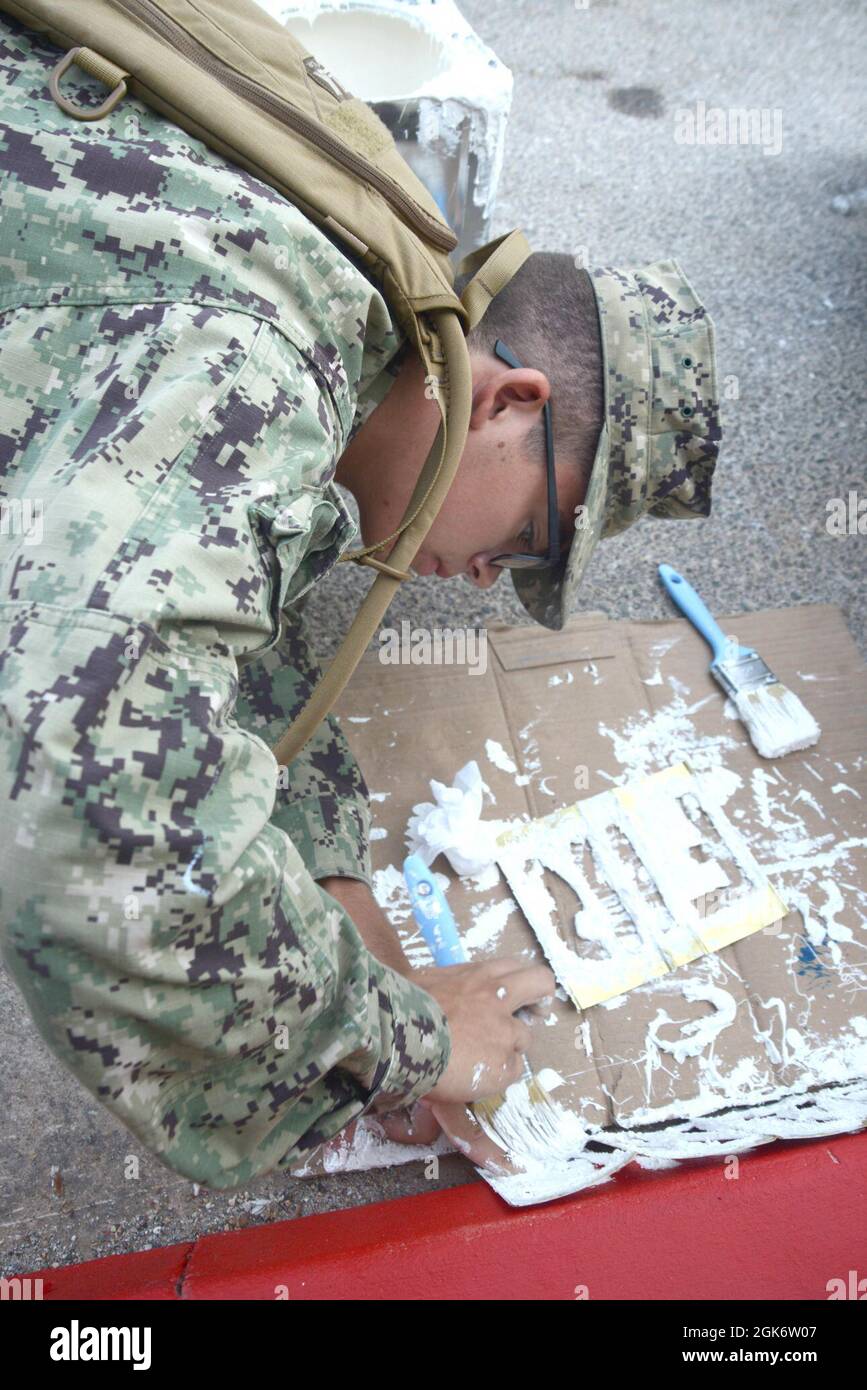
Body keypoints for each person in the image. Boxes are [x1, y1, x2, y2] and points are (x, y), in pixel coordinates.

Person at [0, 13, 720, 1186]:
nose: (486, 577)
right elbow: (92, 835)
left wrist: (331, 880)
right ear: (507, 402)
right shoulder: (253, 372)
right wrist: (402, 1040)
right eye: (528, 537)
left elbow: (231, 613)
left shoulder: (364, 272)